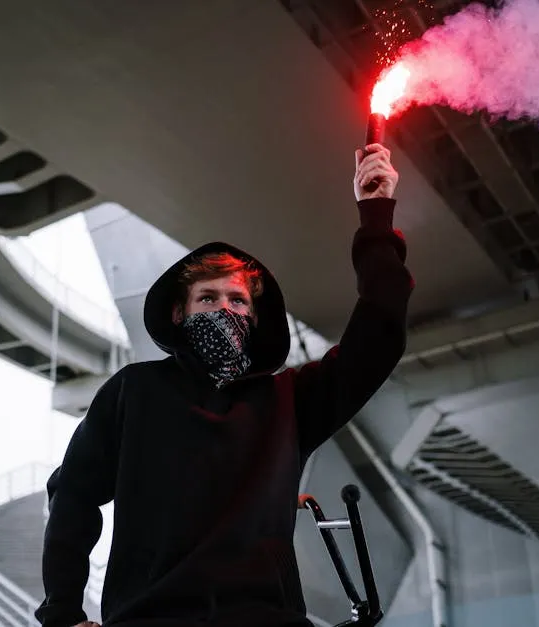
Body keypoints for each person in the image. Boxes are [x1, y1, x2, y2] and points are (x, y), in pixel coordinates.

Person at [35, 143, 413, 627]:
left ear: (255, 319)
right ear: (179, 312)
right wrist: (63, 612)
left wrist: (376, 216)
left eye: (238, 301)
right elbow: (72, 495)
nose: (224, 310)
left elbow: (379, 334)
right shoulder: (134, 391)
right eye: (207, 298)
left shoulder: (290, 401)